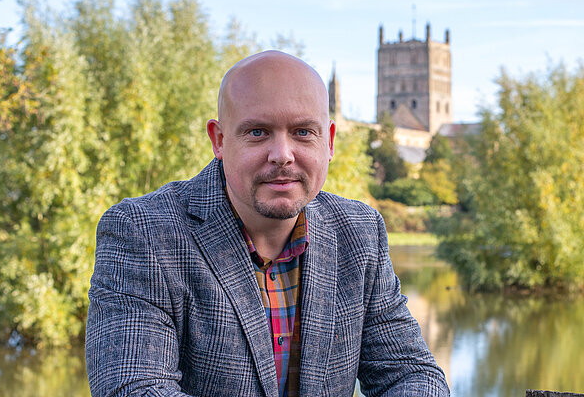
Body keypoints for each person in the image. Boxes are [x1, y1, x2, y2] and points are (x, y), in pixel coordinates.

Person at [85, 50, 450, 397]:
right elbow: (133, 386)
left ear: (330, 142)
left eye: (303, 132)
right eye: (258, 132)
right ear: (220, 140)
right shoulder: (143, 233)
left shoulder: (359, 231)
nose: (282, 155)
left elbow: (412, 374)